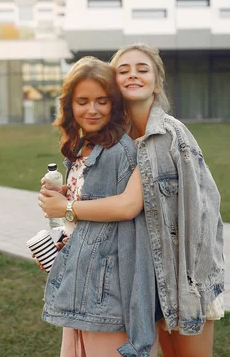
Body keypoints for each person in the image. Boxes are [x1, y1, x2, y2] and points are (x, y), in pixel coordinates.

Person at [39, 44, 225, 357]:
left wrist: (67, 208)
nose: (133, 75)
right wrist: (72, 192)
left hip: (183, 274)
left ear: (157, 82)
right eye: (123, 70)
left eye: (142, 69)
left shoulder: (166, 135)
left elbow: (128, 206)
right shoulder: (118, 136)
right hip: (146, 276)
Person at [39, 56, 158, 357]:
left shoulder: (121, 152)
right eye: (82, 101)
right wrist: (64, 202)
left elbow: (130, 226)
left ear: (114, 104)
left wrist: (66, 207)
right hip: (78, 280)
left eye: (102, 101)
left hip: (106, 293)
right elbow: (88, 214)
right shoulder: (82, 146)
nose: (92, 110)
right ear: (69, 106)